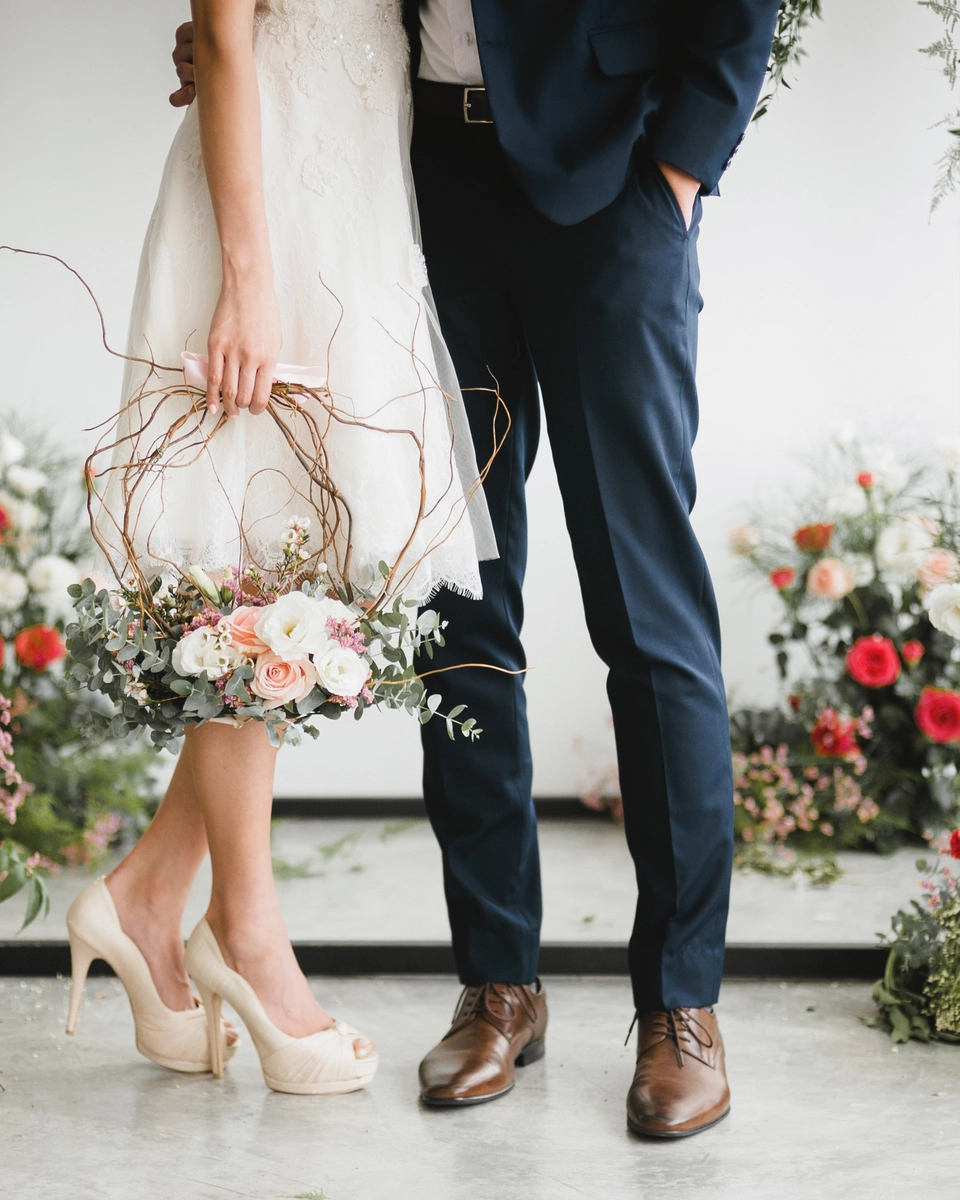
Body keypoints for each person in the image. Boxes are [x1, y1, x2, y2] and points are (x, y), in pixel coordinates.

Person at [172, 0, 781, 1135]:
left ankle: (682, 1007)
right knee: (461, 606)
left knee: (648, 618)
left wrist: (677, 177)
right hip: (432, 183)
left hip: (617, 181)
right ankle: (499, 983)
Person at [65, 0, 495, 1097]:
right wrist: (249, 283)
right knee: (241, 566)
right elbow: (223, 30)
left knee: (288, 571)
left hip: (353, 189)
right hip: (261, 222)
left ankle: (152, 895)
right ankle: (245, 935)